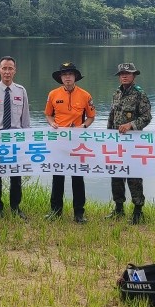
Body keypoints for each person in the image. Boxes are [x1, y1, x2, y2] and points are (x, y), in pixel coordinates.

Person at [45, 61, 96, 224]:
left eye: (70, 74)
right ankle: (55, 211)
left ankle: (79, 213)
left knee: (77, 177)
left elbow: (91, 117)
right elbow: (48, 114)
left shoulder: (85, 95)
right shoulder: (53, 94)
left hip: (77, 142)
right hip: (59, 141)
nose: (67, 77)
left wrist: (83, 126)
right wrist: (52, 123)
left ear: (75, 77)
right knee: (57, 176)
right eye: (64, 74)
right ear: (61, 77)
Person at [0, 55, 31, 220]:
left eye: (10, 68)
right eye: (4, 68)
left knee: (15, 176)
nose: (7, 72)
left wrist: (25, 138)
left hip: (15, 139)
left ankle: (16, 207)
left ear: (15, 70)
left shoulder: (21, 90)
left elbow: (25, 118)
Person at [106, 62, 153, 224]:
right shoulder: (116, 93)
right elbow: (111, 116)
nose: (124, 76)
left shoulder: (140, 94)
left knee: (134, 176)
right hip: (117, 143)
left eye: (127, 73)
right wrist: (108, 136)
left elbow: (146, 117)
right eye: (121, 74)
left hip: (133, 144)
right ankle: (119, 208)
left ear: (134, 76)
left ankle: (138, 211)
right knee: (116, 175)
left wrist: (131, 125)